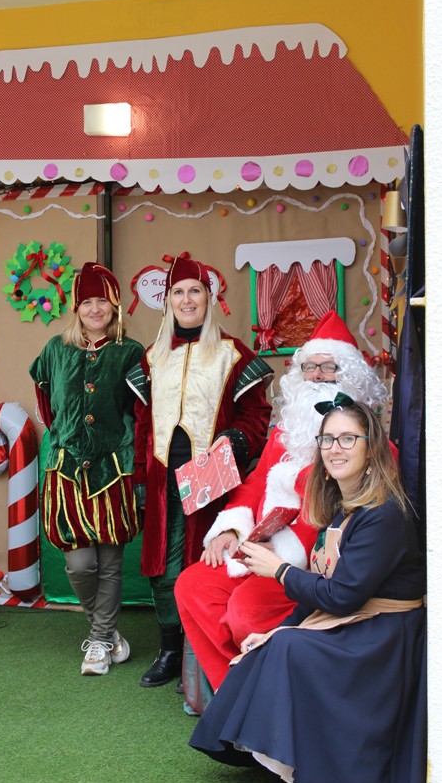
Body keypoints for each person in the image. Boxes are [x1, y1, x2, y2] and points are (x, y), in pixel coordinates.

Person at [189, 396, 426, 783]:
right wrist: (277, 629)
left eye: (348, 439)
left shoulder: (384, 513)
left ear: (371, 450)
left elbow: (342, 596)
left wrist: (279, 571)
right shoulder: (342, 507)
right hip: (357, 622)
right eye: (327, 439)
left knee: (290, 649)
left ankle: (300, 763)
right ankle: (273, 758)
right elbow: (325, 592)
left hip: (385, 637)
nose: (335, 448)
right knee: (271, 642)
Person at [175, 311, 390, 694]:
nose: (318, 375)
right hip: (258, 545)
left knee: (245, 614)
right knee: (193, 584)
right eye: (310, 366)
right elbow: (256, 482)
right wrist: (230, 529)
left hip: (310, 565)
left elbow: (350, 508)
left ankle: (266, 691)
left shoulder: (365, 440)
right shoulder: (285, 431)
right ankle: (237, 690)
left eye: (329, 366)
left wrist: (284, 549)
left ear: (351, 374)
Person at [127, 252, 273, 688]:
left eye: (195, 291)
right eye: (178, 292)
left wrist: (234, 442)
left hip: (212, 476)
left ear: (209, 298)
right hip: (161, 478)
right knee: (161, 567)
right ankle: (170, 651)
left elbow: (257, 417)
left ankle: (200, 656)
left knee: (205, 562)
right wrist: (140, 478)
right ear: (168, 300)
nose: (187, 299)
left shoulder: (233, 354)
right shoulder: (152, 358)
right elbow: (141, 423)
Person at [29, 262, 144, 676]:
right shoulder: (54, 350)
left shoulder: (132, 353)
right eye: (87, 301)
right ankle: (108, 634)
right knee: (80, 565)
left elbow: (140, 414)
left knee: (110, 564)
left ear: (115, 306)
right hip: (66, 469)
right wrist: (67, 435)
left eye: (103, 301)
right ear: (76, 307)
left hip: (113, 469)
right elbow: (47, 404)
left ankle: (98, 642)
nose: (95, 309)